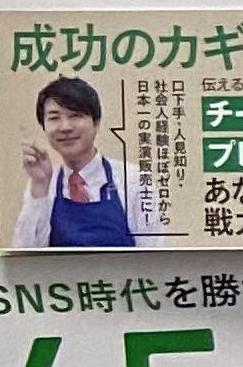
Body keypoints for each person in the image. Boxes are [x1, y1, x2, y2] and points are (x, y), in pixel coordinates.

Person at [11, 77, 160, 248]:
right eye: (54, 118)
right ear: (44, 126)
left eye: (75, 115)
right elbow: (24, 255)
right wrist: (40, 185)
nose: (65, 127)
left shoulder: (135, 180)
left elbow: (154, 255)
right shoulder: (45, 184)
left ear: (96, 123)